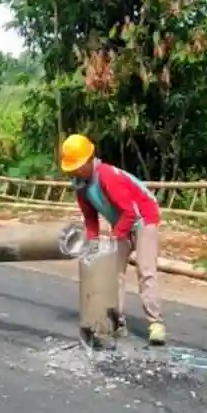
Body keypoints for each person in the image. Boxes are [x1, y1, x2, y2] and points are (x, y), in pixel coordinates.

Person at [60, 133, 166, 346]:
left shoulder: (108, 176)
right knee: (112, 272)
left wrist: (114, 236)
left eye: (78, 166)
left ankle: (156, 323)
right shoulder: (81, 186)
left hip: (143, 218)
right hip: (122, 221)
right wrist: (92, 245)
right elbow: (90, 220)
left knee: (146, 272)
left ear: (89, 160)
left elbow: (131, 213)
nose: (74, 172)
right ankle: (116, 321)